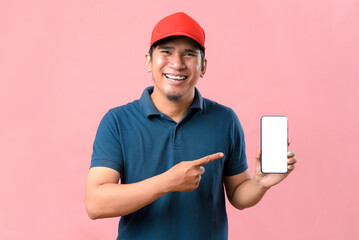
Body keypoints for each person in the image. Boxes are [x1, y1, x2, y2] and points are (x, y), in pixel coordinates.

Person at [85, 12, 297, 240]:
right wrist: (167, 182)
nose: (177, 64)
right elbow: (95, 204)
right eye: (166, 52)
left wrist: (259, 183)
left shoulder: (225, 120)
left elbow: (237, 194)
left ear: (203, 66)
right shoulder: (117, 121)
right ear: (149, 60)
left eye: (188, 54)